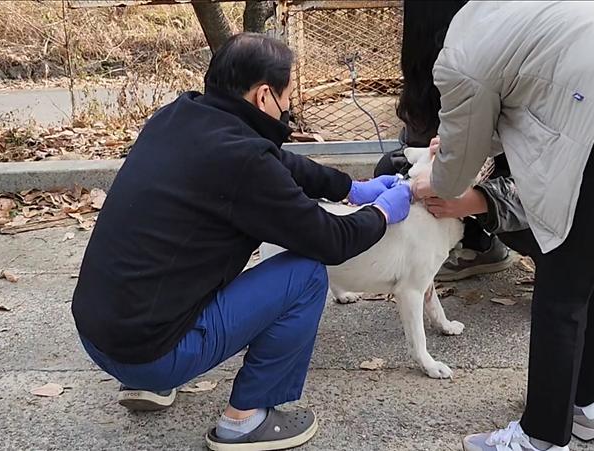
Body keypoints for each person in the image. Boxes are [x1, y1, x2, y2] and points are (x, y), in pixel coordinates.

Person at [71, 33, 412, 450]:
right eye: (287, 97)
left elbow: (277, 159)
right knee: (305, 275)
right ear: (264, 95)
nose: (288, 108)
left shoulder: (177, 115)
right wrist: (381, 211)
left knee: (169, 256)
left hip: (97, 332)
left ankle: (143, 383)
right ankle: (246, 419)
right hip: (150, 352)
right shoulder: (246, 163)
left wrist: (351, 187)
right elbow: (331, 240)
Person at [404, 1, 594, 450]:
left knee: (562, 283)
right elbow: (532, 98)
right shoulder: (516, 11)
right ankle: (588, 408)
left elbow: (451, 179)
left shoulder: (460, 49)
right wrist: (455, 142)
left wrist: (440, 169)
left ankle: (541, 436)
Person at [373, 0, 527, 281]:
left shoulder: (502, 69)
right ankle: (458, 245)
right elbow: (444, 147)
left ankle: (562, 267)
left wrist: (479, 201)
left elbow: (549, 183)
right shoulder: (442, 74)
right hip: (484, 172)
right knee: (391, 170)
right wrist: (434, 157)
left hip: (540, 193)